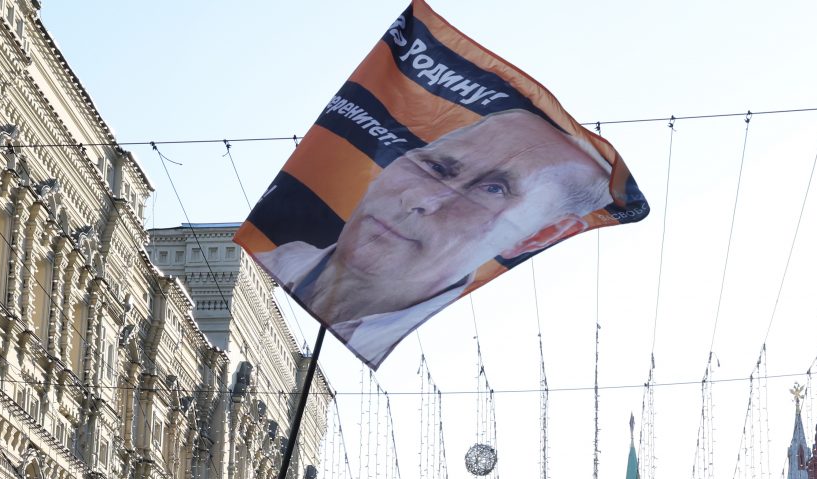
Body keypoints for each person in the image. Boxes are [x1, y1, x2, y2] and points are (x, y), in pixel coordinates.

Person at [257, 110, 615, 364]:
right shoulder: (264, 265)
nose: (420, 200)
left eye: (493, 189)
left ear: (540, 235)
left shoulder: (445, 348)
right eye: (436, 166)